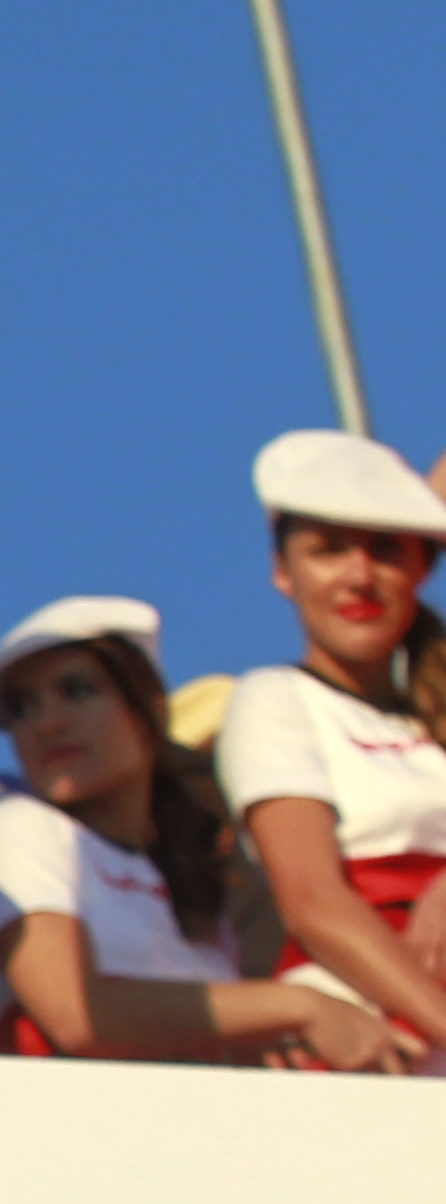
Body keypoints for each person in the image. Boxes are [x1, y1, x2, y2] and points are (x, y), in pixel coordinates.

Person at [0, 595, 411, 1073]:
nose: (48, 723)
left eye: (77, 691)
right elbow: (76, 1016)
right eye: (22, 708)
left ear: (149, 711)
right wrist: (300, 1006)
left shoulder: (193, 892)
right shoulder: (16, 827)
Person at [215, 429, 446, 1075]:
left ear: (421, 569)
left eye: (387, 550)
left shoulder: (434, 712)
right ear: (282, 573)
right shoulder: (275, 699)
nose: (360, 577)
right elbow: (314, 902)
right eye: (329, 550)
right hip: (373, 1034)